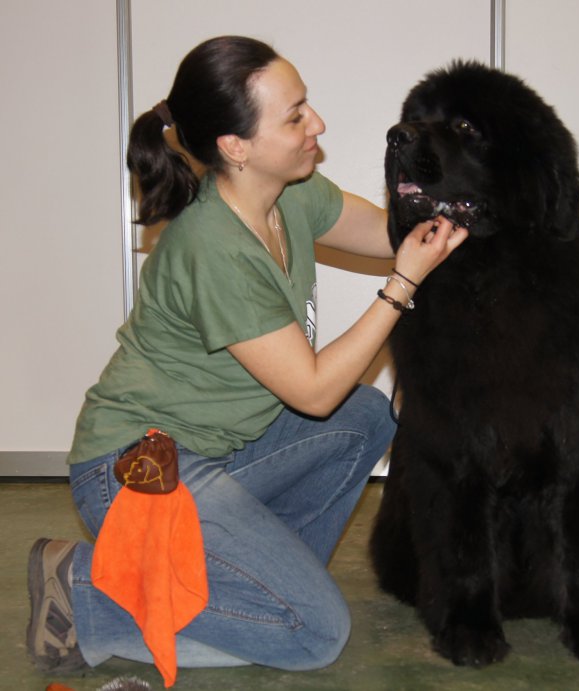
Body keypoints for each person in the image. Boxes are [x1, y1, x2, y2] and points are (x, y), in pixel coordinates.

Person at [26, 35, 468, 677]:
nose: (317, 123)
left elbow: (386, 234)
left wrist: (457, 222)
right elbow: (312, 392)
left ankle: (245, 583)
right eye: (294, 116)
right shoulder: (214, 247)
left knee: (367, 415)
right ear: (236, 147)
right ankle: (86, 585)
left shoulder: (291, 194)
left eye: (306, 104)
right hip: (140, 468)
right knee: (314, 635)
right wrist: (403, 285)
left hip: (226, 451)